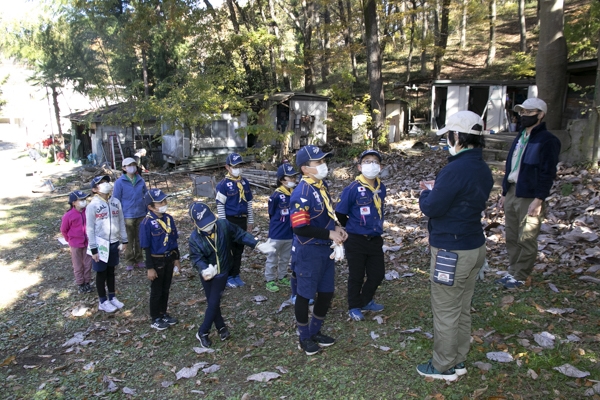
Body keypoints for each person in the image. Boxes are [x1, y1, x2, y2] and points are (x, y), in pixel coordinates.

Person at [417, 110, 494, 381]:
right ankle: (459, 358)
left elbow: (433, 207)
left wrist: (426, 193)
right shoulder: (482, 168)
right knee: (461, 306)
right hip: (474, 246)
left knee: (446, 308)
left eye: (449, 134)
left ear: (458, 136)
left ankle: (443, 365)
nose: (448, 139)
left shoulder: (455, 169)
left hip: (452, 250)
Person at [188, 202, 275, 348]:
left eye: (209, 223)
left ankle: (221, 327)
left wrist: (257, 244)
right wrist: (204, 270)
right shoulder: (194, 239)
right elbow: (196, 258)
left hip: (223, 272)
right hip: (208, 275)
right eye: (204, 225)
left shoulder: (223, 225)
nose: (208, 228)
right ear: (194, 223)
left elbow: (240, 234)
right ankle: (203, 331)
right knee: (214, 302)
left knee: (213, 302)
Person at [497, 98, 561, 289]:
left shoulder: (548, 140)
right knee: (512, 235)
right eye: (522, 112)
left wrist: (539, 199)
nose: (523, 116)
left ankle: (521, 275)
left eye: (529, 112)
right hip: (513, 191)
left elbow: (547, 172)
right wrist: (504, 192)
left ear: (540, 115)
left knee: (526, 236)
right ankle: (513, 270)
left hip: (530, 196)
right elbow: (510, 166)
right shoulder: (520, 136)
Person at [290, 145, 348, 355]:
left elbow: (326, 215)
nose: (323, 165)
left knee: (326, 292)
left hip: (325, 250)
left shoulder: (320, 187)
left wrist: (337, 228)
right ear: (305, 169)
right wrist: (328, 234)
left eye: (324, 161)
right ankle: (304, 337)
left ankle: (315, 331)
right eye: (318, 162)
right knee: (305, 295)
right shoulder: (302, 193)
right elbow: (300, 227)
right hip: (309, 251)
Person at [335, 150, 387, 322]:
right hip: (356, 239)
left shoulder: (381, 187)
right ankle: (354, 306)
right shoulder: (352, 189)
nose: (371, 164)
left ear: (380, 167)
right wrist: (351, 227)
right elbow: (340, 212)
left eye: (375, 162)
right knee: (356, 275)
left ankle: (366, 300)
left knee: (377, 273)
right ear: (359, 166)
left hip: (375, 238)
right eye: (367, 161)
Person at [86, 175, 129, 313]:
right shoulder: (92, 206)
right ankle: (102, 301)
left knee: (111, 271)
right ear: (94, 189)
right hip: (100, 244)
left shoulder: (115, 202)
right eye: (101, 183)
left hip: (114, 242)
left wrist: (124, 239)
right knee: (101, 272)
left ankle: (112, 297)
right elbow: (90, 228)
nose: (106, 184)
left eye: (106, 182)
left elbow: (121, 221)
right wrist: (94, 248)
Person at [140, 189, 180, 331]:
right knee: (156, 290)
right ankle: (155, 317)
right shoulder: (146, 223)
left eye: (164, 201)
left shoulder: (169, 219)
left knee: (165, 288)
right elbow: (146, 247)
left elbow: (173, 241)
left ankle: (163, 313)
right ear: (150, 207)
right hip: (156, 262)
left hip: (169, 259)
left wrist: (176, 259)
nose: (164, 204)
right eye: (160, 202)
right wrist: (150, 268)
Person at [215, 153, 254, 288]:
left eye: (239, 166)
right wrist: (223, 223)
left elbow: (249, 202)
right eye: (234, 166)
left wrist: (250, 221)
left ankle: (236, 274)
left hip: (242, 220)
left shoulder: (245, 182)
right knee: (229, 249)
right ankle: (229, 276)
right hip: (229, 220)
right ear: (227, 167)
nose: (237, 168)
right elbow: (220, 205)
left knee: (239, 249)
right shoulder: (223, 185)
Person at [264, 163, 298, 293]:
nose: (293, 180)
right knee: (272, 257)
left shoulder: (294, 194)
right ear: (282, 180)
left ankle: (282, 276)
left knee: (285, 257)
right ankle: (270, 279)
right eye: (290, 177)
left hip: (289, 233)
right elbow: (271, 213)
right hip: (276, 233)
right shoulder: (276, 196)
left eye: (294, 177)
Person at [113, 157, 148, 271]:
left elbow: (146, 195)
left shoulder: (140, 180)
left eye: (133, 164)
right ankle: (129, 260)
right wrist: (118, 215)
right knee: (128, 239)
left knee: (139, 238)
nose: (132, 167)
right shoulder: (119, 182)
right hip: (127, 214)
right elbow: (116, 199)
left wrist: (147, 209)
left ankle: (139, 258)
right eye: (129, 165)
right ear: (124, 168)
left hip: (141, 213)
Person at [60, 190, 93, 294]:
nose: (83, 201)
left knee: (88, 264)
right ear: (73, 202)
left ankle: (87, 282)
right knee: (78, 265)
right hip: (75, 244)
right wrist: (70, 240)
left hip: (87, 243)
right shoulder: (68, 215)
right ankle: (80, 283)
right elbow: (64, 230)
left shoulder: (88, 211)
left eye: (84, 199)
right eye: (81, 200)